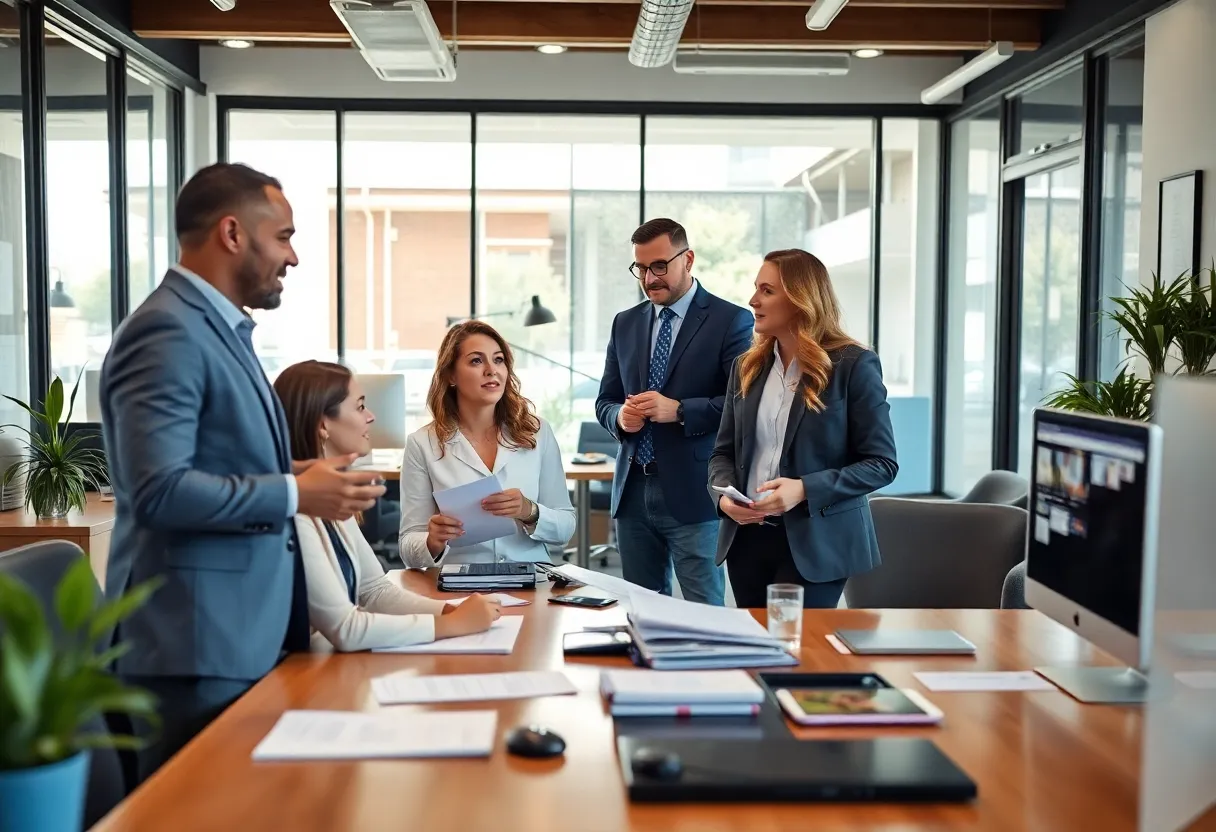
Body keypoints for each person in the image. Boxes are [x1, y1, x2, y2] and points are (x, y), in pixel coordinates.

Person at [99, 162, 386, 783]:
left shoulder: (219, 329)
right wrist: (292, 490)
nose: (295, 256)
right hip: (192, 645)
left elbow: (214, 462)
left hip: (235, 638)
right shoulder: (167, 333)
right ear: (233, 233)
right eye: (282, 236)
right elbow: (158, 490)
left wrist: (300, 473)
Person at [707, 249, 898, 609]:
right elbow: (722, 452)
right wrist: (722, 497)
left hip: (818, 540)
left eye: (767, 290)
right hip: (746, 538)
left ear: (800, 299)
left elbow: (882, 463)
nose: (752, 300)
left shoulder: (853, 365)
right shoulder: (745, 367)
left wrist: (805, 489)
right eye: (755, 289)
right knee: (757, 649)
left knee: (797, 656)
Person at [273, 360, 502, 650]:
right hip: (302, 674)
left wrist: (450, 611)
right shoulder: (298, 512)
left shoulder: (332, 500)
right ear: (323, 424)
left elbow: (374, 591)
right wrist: (449, 625)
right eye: (359, 406)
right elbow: (347, 629)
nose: (370, 416)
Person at [595, 218, 752, 605]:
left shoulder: (731, 320)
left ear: (689, 259)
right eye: (641, 269)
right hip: (632, 492)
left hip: (694, 492)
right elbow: (605, 400)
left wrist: (679, 411)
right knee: (642, 611)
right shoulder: (625, 323)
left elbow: (743, 405)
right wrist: (619, 417)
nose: (649, 279)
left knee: (704, 612)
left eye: (660, 266)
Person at [398, 321, 576, 566]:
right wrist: (432, 540)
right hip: (461, 585)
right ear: (451, 374)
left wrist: (529, 511)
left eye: (499, 360)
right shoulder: (422, 444)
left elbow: (566, 527)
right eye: (476, 361)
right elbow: (408, 546)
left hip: (530, 579)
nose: (492, 370)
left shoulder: (537, 432)